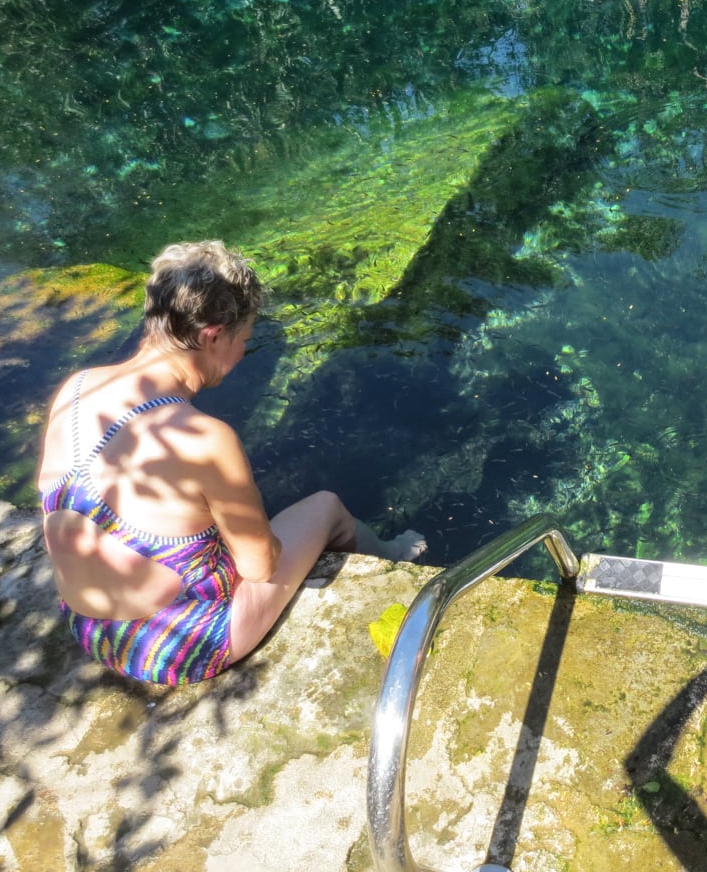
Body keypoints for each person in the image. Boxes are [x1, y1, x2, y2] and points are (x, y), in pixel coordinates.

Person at [37, 240, 424, 686]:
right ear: (213, 335)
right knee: (327, 507)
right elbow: (260, 567)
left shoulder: (76, 388)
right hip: (175, 648)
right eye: (243, 338)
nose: (242, 353)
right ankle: (396, 556)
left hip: (89, 627)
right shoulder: (203, 439)